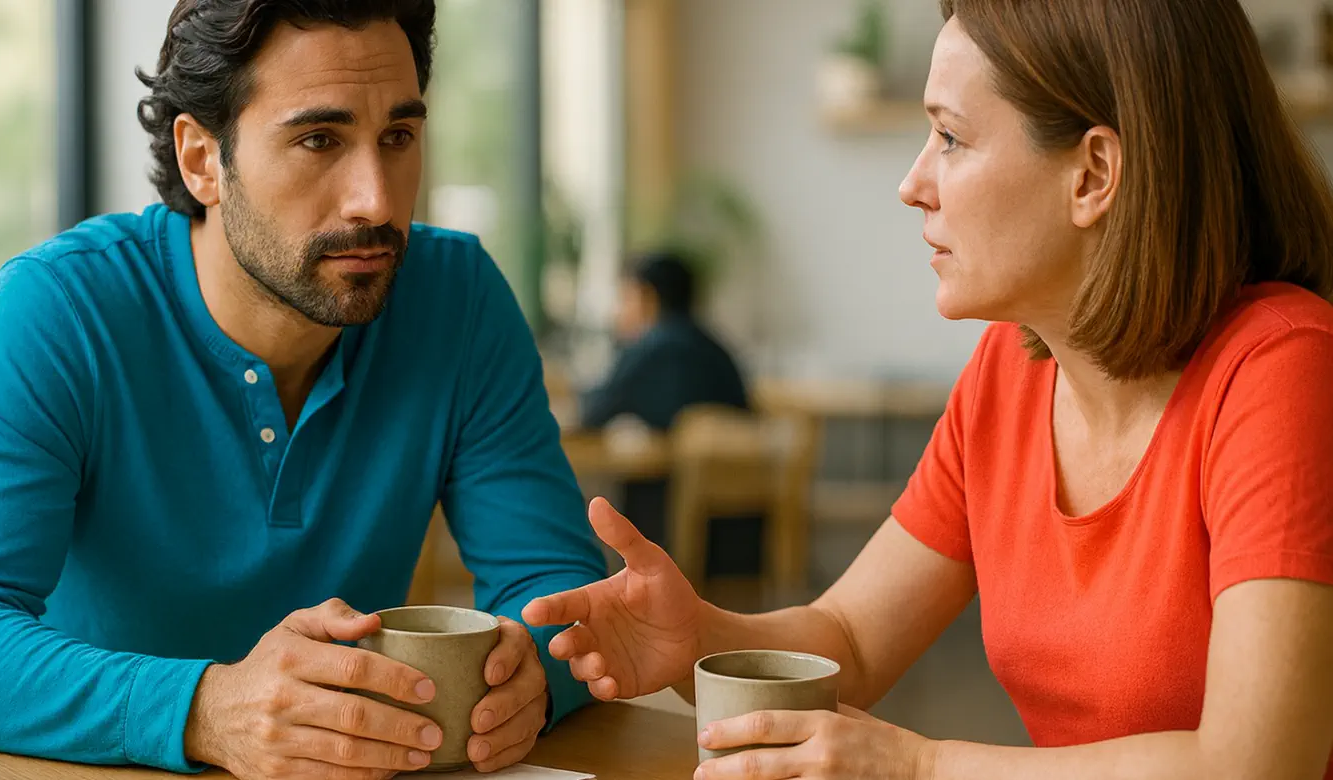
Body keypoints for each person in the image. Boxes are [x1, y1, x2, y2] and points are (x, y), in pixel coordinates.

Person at [524, 0, 1333, 778]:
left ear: (1093, 174)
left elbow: (1257, 762)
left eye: (949, 137)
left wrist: (919, 766)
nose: (914, 183)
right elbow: (854, 639)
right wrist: (698, 637)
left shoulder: (1282, 369)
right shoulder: (1010, 373)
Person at [0, 2, 606, 778]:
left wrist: (534, 677)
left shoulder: (458, 298)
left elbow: (556, 588)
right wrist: (209, 711)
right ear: (200, 160)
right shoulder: (59, 310)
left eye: (398, 137)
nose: (378, 202)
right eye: (318, 140)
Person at [576, 251, 758, 576]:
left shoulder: (652, 348)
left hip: (675, 545)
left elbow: (592, 413)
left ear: (648, 296)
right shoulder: (716, 349)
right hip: (744, 540)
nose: (619, 309)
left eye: (625, 296)